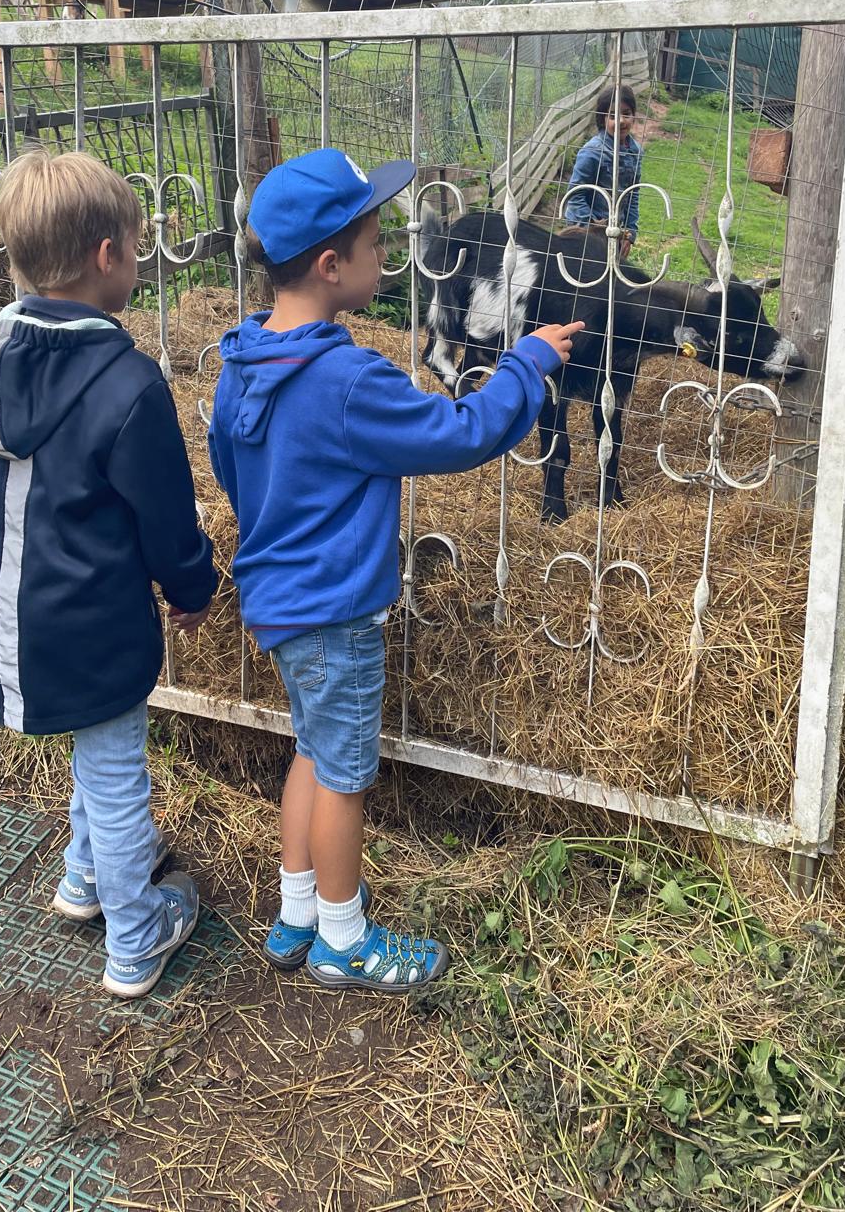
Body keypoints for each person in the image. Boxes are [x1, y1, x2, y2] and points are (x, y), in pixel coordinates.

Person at [209, 148, 584, 994]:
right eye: (377, 242)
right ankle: (345, 941)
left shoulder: (243, 361)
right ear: (331, 266)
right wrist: (525, 364)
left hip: (278, 601)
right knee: (345, 777)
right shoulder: (345, 379)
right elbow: (458, 434)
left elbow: (232, 469)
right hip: (335, 612)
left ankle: (297, 913)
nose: (389, 253)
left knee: (311, 753)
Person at [0, 148, 217, 1001]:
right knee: (114, 766)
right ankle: (136, 936)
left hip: (9, 613)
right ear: (108, 255)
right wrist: (193, 587)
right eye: (136, 246)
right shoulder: (129, 384)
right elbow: (166, 516)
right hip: (96, 621)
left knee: (95, 753)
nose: (137, 259)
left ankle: (85, 875)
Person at [563, 84, 643, 262]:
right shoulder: (592, 151)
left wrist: (629, 233)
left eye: (626, 114)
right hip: (585, 231)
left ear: (634, 115)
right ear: (602, 119)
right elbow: (575, 196)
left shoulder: (635, 151)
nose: (621, 121)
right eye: (613, 116)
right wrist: (594, 233)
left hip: (615, 232)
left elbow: (633, 194)